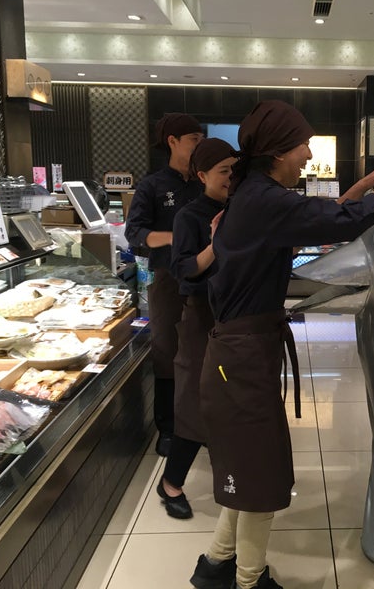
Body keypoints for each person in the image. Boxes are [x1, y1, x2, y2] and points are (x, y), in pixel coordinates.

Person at [188, 100, 374, 589]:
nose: (308, 154)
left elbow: (329, 213)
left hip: (239, 355)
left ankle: (215, 565)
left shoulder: (255, 194)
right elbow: (343, 222)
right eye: (303, 145)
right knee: (261, 475)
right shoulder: (262, 200)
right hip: (240, 360)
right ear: (279, 151)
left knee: (249, 467)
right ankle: (249, 581)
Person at [157, 138, 236, 519]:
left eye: (234, 169)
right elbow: (184, 269)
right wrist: (216, 243)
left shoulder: (240, 209)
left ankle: (231, 478)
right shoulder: (189, 216)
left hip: (233, 318)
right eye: (223, 171)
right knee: (193, 401)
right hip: (200, 318)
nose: (231, 177)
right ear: (202, 175)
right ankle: (171, 482)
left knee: (228, 401)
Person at [125, 113, 205, 456]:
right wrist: (175, 236)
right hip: (168, 279)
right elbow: (134, 233)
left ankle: (200, 423)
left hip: (208, 278)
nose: (199, 145)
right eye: (194, 140)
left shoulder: (206, 180)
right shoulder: (153, 185)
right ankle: (168, 428)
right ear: (173, 141)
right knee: (167, 352)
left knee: (203, 350)